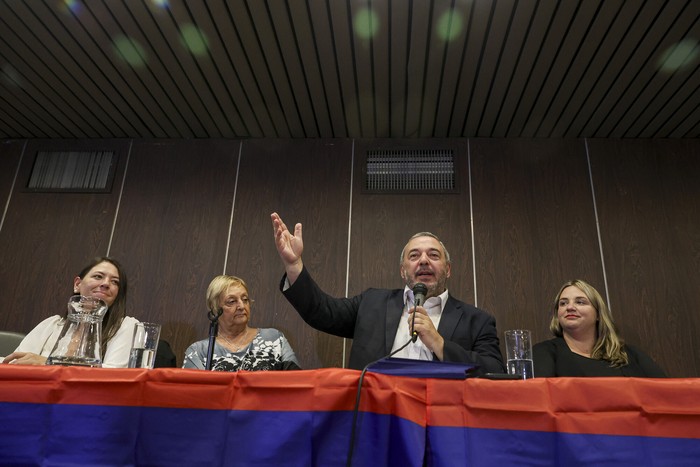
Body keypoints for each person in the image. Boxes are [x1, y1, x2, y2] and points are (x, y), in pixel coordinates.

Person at [270, 212, 505, 373]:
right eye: (414, 256)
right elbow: (322, 312)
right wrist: (294, 266)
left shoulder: (478, 320)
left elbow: (495, 372)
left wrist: (440, 344)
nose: (423, 261)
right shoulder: (371, 303)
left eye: (433, 255)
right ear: (403, 271)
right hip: (375, 419)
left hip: (444, 424)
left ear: (448, 269)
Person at [2, 256, 139, 368]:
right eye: (98, 276)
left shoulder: (127, 326)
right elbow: (16, 363)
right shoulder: (51, 324)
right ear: (77, 284)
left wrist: (48, 363)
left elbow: (114, 374)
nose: (106, 283)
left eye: (115, 282)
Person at [533, 279, 666, 377]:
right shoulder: (543, 353)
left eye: (580, 302)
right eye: (563, 303)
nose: (570, 307)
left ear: (598, 314)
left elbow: (666, 393)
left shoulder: (629, 355)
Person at [183, 275, 300, 371]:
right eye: (232, 301)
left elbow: (297, 382)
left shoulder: (274, 339)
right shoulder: (199, 351)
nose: (241, 306)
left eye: (245, 300)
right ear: (214, 309)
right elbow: (193, 394)